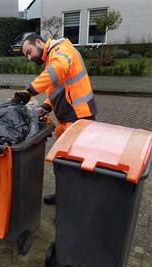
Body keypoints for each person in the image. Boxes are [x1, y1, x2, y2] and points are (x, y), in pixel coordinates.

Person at [13, 34, 97, 205]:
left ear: (39, 42)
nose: (29, 58)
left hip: (79, 118)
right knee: (63, 164)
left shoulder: (61, 49)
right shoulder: (51, 59)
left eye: (29, 52)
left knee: (75, 166)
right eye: (26, 56)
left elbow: (57, 70)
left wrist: (29, 91)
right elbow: (56, 89)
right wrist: (46, 106)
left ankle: (72, 205)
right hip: (67, 120)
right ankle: (64, 196)